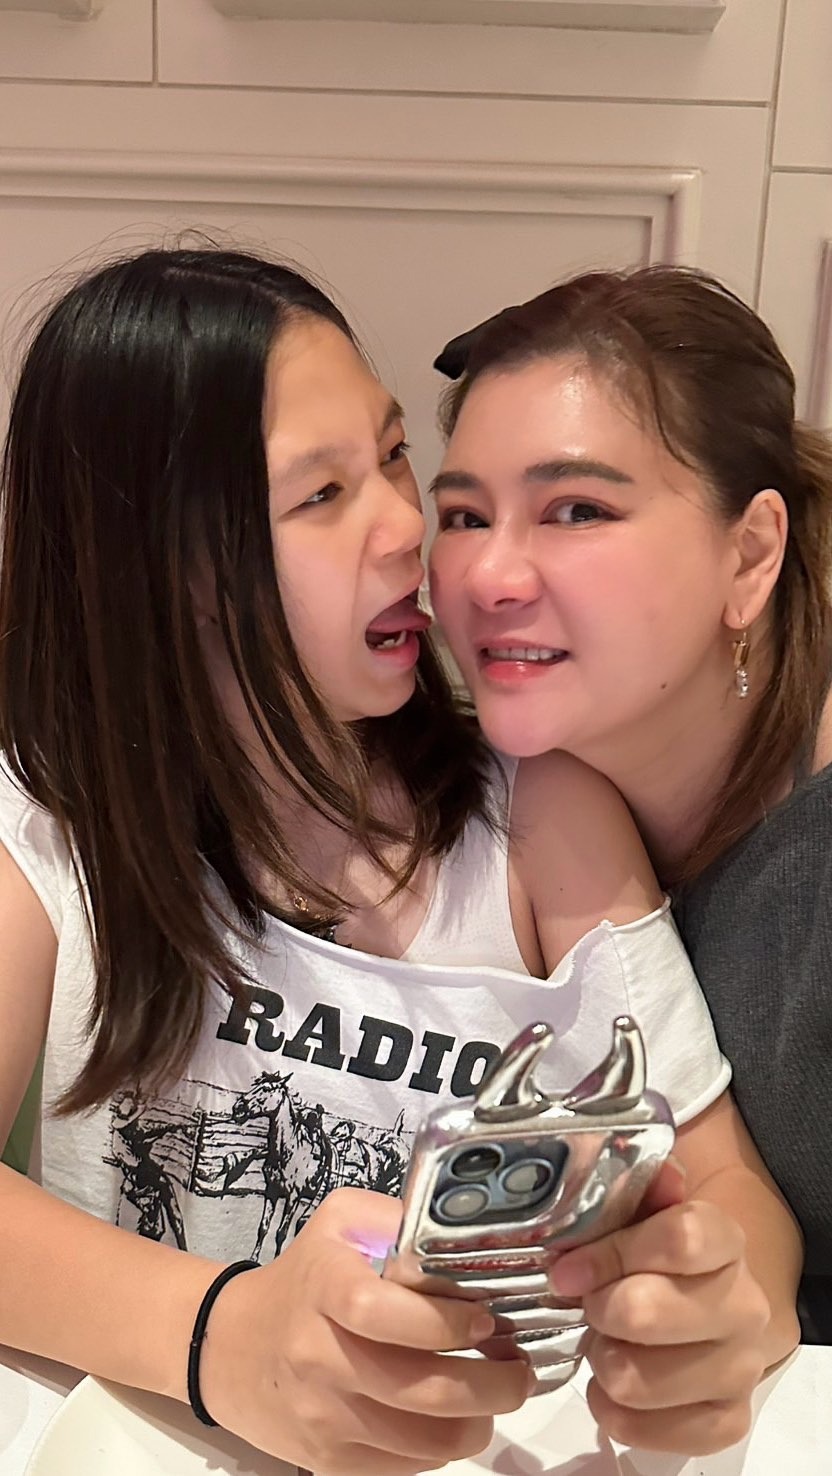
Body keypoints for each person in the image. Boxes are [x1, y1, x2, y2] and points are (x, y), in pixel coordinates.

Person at [0, 248, 797, 1474]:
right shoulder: (48, 820)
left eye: (391, 458)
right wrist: (225, 1339)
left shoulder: (538, 815)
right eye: (321, 494)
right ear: (158, 563)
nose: (407, 528)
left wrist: (719, 1308)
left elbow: (729, 1190)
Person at [428, 262, 832, 1357]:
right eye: (463, 515)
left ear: (749, 554)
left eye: (577, 509)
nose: (489, 576)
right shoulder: (495, 805)